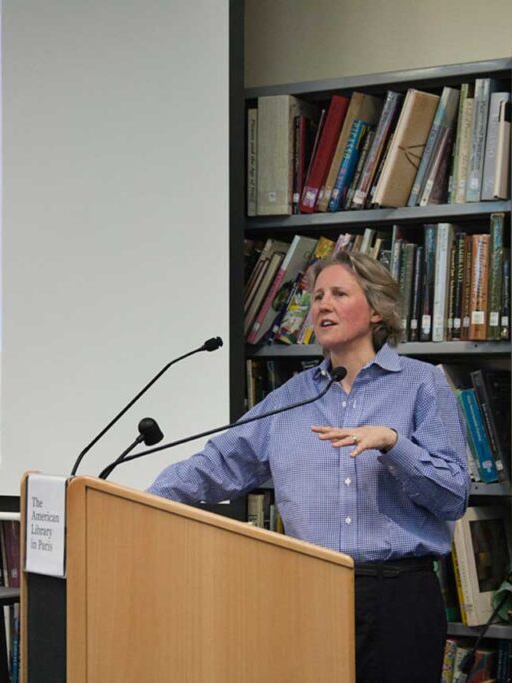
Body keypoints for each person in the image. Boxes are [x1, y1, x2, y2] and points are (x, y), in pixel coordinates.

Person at [147, 251, 468, 683]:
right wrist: (142, 500)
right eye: (317, 296)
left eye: (338, 293)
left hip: (398, 597)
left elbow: (452, 496)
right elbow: (219, 463)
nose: (322, 305)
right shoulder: (292, 397)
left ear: (376, 310)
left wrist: (394, 444)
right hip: (308, 593)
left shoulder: (420, 384)